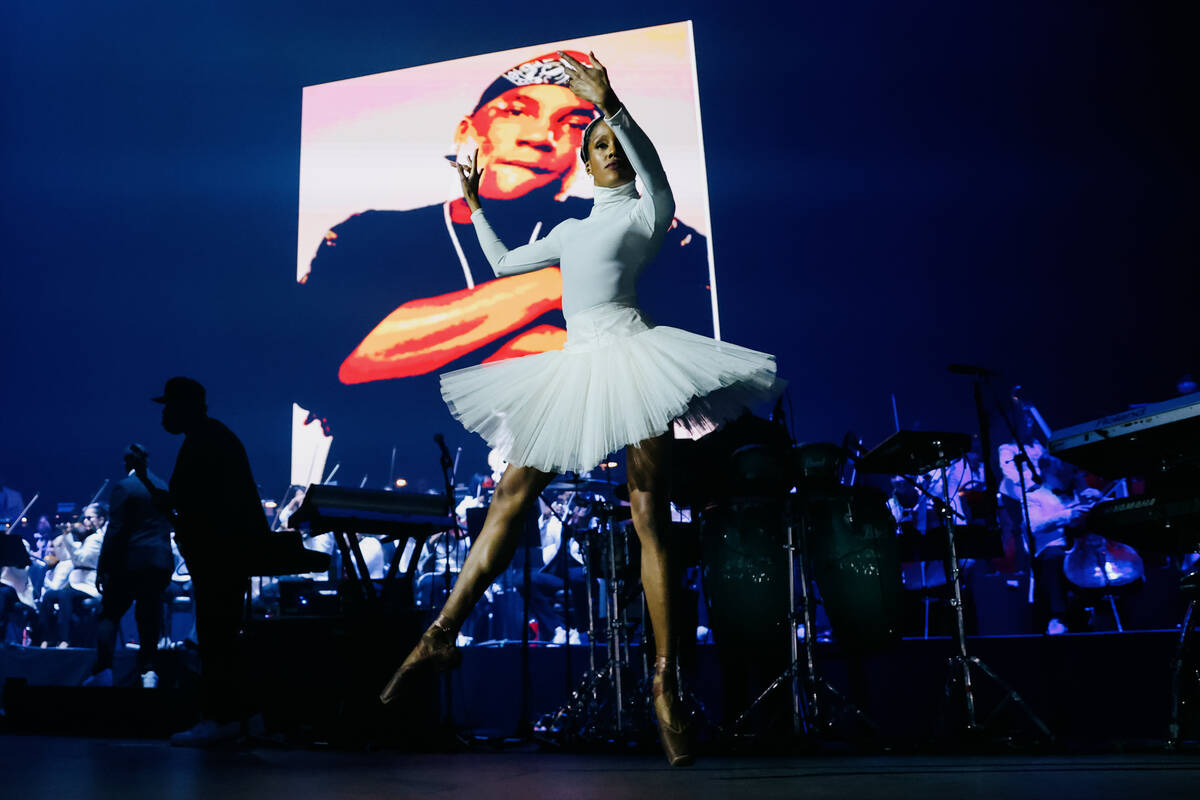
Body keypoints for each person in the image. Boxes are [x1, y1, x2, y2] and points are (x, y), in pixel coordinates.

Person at [378, 52, 782, 767]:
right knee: (511, 493)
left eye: (613, 144)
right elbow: (504, 266)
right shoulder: (569, 230)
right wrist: (473, 203)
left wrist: (615, 102)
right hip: (572, 369)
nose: (605, 153)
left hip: (630, 358)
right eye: (596, 145)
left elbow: (652, 168)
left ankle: (665, 683)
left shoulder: (647, 211)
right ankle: (441, 633)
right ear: (586, 163)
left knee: (647, 507)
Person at [291, 50, 713, 489]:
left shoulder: (613, 227)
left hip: (563, 489)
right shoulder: (372, 234)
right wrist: (553, 286)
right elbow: (343, 363)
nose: (541, 136)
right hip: (380, 484)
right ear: (466, 131)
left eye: (570, 124)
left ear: (583, 156)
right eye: (516, 112)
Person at [150, 377, 267, 746]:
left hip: (219, 554)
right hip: (226, 553)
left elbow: (196, 503)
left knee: (216, 636)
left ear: (185, 406)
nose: (164, 414)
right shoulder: (215, 436)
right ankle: (240, 716)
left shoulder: (204, 442)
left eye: (169, 406)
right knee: (222, 635)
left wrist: (168, 504)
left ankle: (220, 718)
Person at [84, 444, 173, 688]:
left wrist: (104, 568)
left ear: (127, 463)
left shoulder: (125, 487)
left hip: (131, 562)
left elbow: (115, 531)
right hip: (159, 561)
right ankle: (149, 670)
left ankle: (104, 669)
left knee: (110, 613)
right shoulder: (163, 486)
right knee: (149, 614)